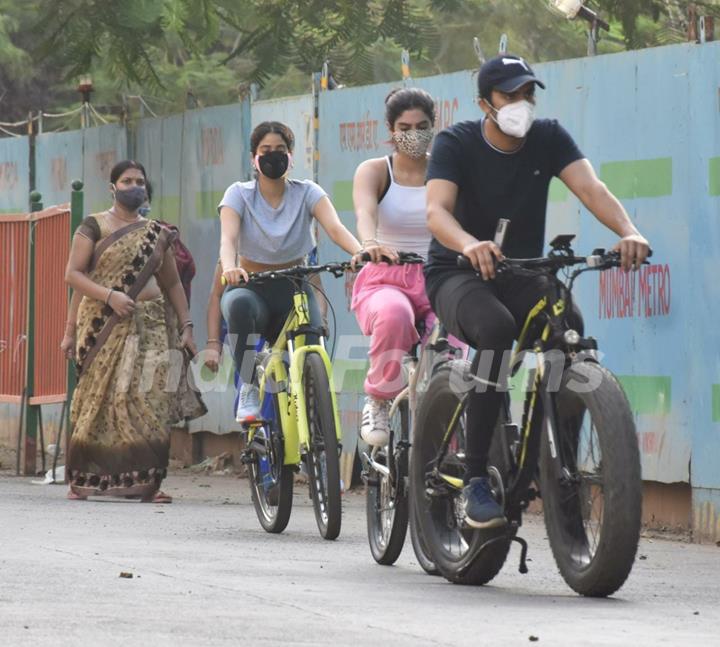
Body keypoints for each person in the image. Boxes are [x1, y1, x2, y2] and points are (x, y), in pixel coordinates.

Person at [424, 55, 651, 528]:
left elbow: (592, 190)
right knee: (495, 329)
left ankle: (558, 463)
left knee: (570, 327)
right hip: (457, 271)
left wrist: (628, 231)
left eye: (528, 93)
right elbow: (436, 213)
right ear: (485, 103)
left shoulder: (548, 136)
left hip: (522, 270)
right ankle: (474, 481)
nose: (521, 104)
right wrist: (470, 244)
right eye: (510, 95)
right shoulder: (455, 143)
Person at [63, 160, 200, 502]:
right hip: (102, 325)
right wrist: (109, 297)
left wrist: (187, 326)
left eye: (140, 180)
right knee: (100, 401)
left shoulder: (157, 232)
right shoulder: (93, 226)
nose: (134, 186)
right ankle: (83, 479)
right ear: (113, 187)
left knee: (150, 399)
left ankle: (149, 482)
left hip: (151, 323)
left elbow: (172, 283)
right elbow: (74, 276)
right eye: (127, 180)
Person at [218, 121, 363, 421]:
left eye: (281, 150)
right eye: (266, 150)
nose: (274, 156)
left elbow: (335, 228)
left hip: (294, 287)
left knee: (313, 343)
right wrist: (231, 268)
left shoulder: (307, 192)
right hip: (250, 285)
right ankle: (248, 386)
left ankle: (315, 416)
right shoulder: (239, 194)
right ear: (253, 158)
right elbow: (228, 239)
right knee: (239, 306)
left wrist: (360, 252)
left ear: (292, 156)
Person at [350, 87, 436, 446]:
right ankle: (380, 399)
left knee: (454, 337)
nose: (412, 134)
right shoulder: (375, 170)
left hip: (438, 278)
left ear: (434, 126)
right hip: (385, 277)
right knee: (394, 316)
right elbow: (365, 211)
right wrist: (371, 244)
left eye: (421, 126)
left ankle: (447, 428)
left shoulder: (447, 170)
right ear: (390, 129)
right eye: (404, 127)